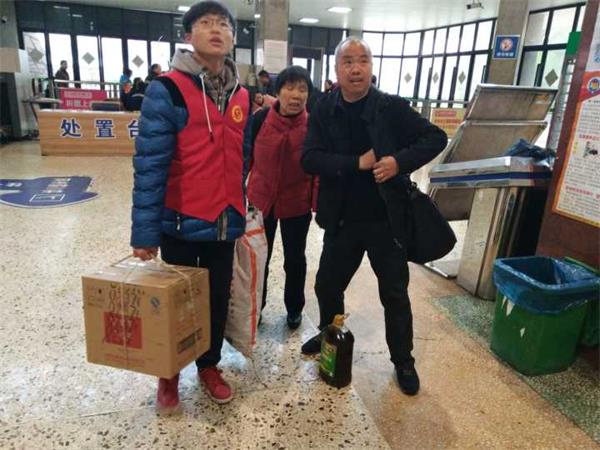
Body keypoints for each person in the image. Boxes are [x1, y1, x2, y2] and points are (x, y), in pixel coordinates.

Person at [300, 37, 447, 396]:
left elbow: (435, 137)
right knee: (327, 285)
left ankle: (403, 360)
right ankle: (329, 335)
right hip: (343, 220)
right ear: (336, 70)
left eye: (363, 60)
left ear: (371, 66)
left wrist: (398, 162)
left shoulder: (390, 107)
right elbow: (310, 158)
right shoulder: (323, 107)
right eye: (348, 61)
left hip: (386, 220)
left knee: (394, 293)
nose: (356, 68)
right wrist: (356, 163)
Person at [130, 0, 251, 412]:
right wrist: (145, 234)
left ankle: (209, 365)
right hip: (180, 220)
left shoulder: (241, 93)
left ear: (232, 37)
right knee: (176, 301)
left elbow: (241, 157)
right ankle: (169, 373)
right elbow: (150, 165)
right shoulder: (167, 89)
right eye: (206, 23)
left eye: (224, 24)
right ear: (188, 35)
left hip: (225, 221)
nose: (216, 30)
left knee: (216, 299)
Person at [247, 66, 314, 330]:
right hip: (261, 201)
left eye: (302, 89)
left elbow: (318, 168)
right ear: (278, 91)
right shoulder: (260, 119)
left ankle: (294, 308)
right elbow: (245, 159)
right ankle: (256, 307)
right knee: (258, 258)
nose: (296, 95)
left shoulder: (313, 126)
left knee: (295, 259)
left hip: (296, 203)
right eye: (290, 87)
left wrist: (317, 203)